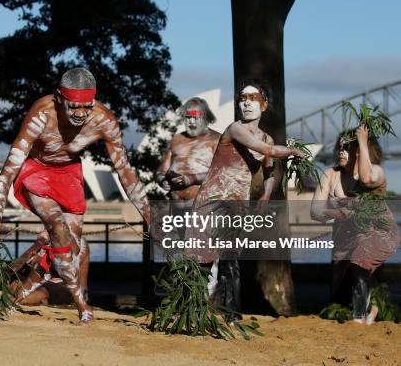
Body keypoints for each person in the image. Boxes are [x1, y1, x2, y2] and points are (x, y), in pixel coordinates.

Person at [0, 67, 151, 324]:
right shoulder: (41, 115)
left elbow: (125, 173)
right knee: (57, 228)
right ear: (59, 97)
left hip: (69, 173)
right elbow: (7, 172)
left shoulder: (104, 120)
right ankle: (82, 305)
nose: (81, 114)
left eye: (87, 106)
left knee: (71, 247)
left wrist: (151, 217)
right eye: (74, 107)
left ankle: (12, 301)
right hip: (36, 170)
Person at [189, 79, 305, 322]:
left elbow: (269, 170)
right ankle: (191, 311)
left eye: (253, 98)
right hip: (212, 201)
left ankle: (231, 314)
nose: (247, 103)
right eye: (243, 98)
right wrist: (293, 151)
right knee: (202, 261)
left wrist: (265, 194)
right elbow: (268, 152)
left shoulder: (268, 138)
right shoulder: (235, 129)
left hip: (237, 205)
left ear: (264, 106)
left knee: (231, 260)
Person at [311, 126, 399, 324]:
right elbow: (315, 212)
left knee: (361, 257)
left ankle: (359, 319)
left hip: (378, 231)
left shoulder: (376, 171)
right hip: (346, 234)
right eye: (339, 147)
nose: (341, 151)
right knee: (339, 294)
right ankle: (371, 308)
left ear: (359, 150)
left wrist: (362, 140)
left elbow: (367, 179)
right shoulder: (330, 174)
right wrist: (340, 212)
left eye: (348, 147)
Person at [156, 97, 220, 201]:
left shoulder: (217, 140)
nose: (191, 121)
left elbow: (221, 174)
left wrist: (192, 179)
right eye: (188, 117)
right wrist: (162, 181)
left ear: (205, 117)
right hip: (175, 208)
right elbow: (161, 171)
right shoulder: (176, 140)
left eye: (195, 117)